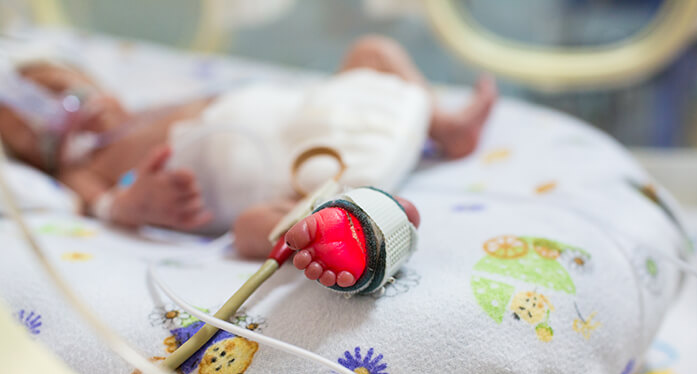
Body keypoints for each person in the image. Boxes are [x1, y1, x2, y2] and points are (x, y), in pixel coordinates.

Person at [0, 36, 496, 262]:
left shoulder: (147, 108)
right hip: (286, 178)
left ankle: (445, 127)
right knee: (251, 231)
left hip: (312, 115)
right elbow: (99, 204)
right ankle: (352, 223)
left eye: (68, 90)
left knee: (372, 53)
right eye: (39, 130)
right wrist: (136, 202)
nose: (70, 113)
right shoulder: (85, 168)